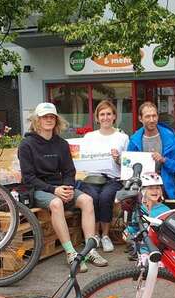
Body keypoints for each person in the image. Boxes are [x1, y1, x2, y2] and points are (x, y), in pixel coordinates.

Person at [18, 102, 108, 272]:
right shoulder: (26, 145)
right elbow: (29, 178)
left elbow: (69, 171)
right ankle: (71, 253)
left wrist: (67, 187)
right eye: (45, 117)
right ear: (37, 120)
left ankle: (90, 250)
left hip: (61, 187)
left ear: (57, 120)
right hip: (39, 190)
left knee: (87, 200)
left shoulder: (61, 144)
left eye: (52, 117)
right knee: (56, 204)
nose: (49, 120)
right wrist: (54, 191)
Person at [79, 100, 129, 252]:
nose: (105, 117)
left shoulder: (123, 137)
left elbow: (127, 163)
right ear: (96, 118)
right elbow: (82, 158)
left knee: (106, 197)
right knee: (92, 198)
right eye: (102, 114)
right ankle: (94, 235)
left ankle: (105, 235)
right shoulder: (89, 137)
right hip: (91, 178)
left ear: (114, 116)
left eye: (109, 114)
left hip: (112, 179)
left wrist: (118, 159)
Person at [128, 101, 175, 200]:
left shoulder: (171, 138)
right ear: (140, 118)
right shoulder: (134, 140)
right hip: (141, 186)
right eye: (148, 116)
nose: (152, 120)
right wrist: (120, 160)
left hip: (164, 187)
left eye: (154, 116)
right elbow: (129, 167)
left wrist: (164, 160)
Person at [125, 172, 170, 260]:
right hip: (143, 250)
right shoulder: (139, 209)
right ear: (143, 190)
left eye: (157, 188)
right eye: (150, 188)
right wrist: (127, 232)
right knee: (144, 270)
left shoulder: (165, 210)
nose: (155, 191)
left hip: (160, 250)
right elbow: (135, 225)